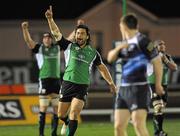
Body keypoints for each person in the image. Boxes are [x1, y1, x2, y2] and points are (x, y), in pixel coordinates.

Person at [45, 6, 117, 136]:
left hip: (82, 86)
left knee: (74, 113)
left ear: (87, 36)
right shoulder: (69, 46)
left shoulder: (93, 52)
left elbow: (102, 69)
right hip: (67, 84)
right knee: (61, 114)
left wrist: (111, 83)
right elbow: (56, 32)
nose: (79, 35)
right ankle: (65, 122)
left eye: (82, 33)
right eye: (77, 33)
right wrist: (50, 19)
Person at [107, 13, 165, 136]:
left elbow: (157, 62)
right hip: (124, 90)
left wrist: (158, 85)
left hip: (140, 89)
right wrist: (118, 48)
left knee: (139, 125)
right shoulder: (124, 43)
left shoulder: (144, 41)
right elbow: (110, 58)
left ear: (123, 26)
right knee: (118, 127)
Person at [21, 22, 61, 136]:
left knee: (55, 108)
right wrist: (25, 29)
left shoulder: (57, 48)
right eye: (45, 38)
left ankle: (54, 133)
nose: (47, 39)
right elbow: (29, 41)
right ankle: (41, 134)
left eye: (48, 37)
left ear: (51, 39)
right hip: (44, 80)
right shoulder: (39, 48)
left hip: (56, 81)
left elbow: (68, 39)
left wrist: (78, 26)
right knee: (43, 107)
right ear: (43, 40)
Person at [147, 40, 177, 136]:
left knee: (159, 110)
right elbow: (145, 49)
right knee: (158, 107)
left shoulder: (167, 56)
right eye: (160, 44)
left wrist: (165, 60)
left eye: (164, 44)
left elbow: (174, 68)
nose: (163, 45)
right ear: (155, 46)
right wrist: (152, 43)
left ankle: (158, 131)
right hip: (153, 84)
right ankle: (158, 132)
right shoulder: (150, 56)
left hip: (164, 86)